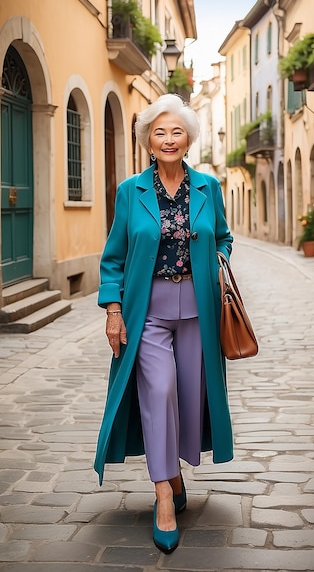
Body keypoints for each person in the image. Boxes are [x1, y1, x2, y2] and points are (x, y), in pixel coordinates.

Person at [94, 93, 234, 554]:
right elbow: (114, 257)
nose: (169, 139)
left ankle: (175, 474)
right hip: (148, 309)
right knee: (159, 393)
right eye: (160, 132)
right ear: (148, 141)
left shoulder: (208, 187)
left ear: (188, 139)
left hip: (198, 307)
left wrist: (218, 258)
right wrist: (113, 310)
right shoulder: (130, 191)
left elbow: (225, 237)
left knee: (190, 399)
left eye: (177, 131)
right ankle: (163, 497)